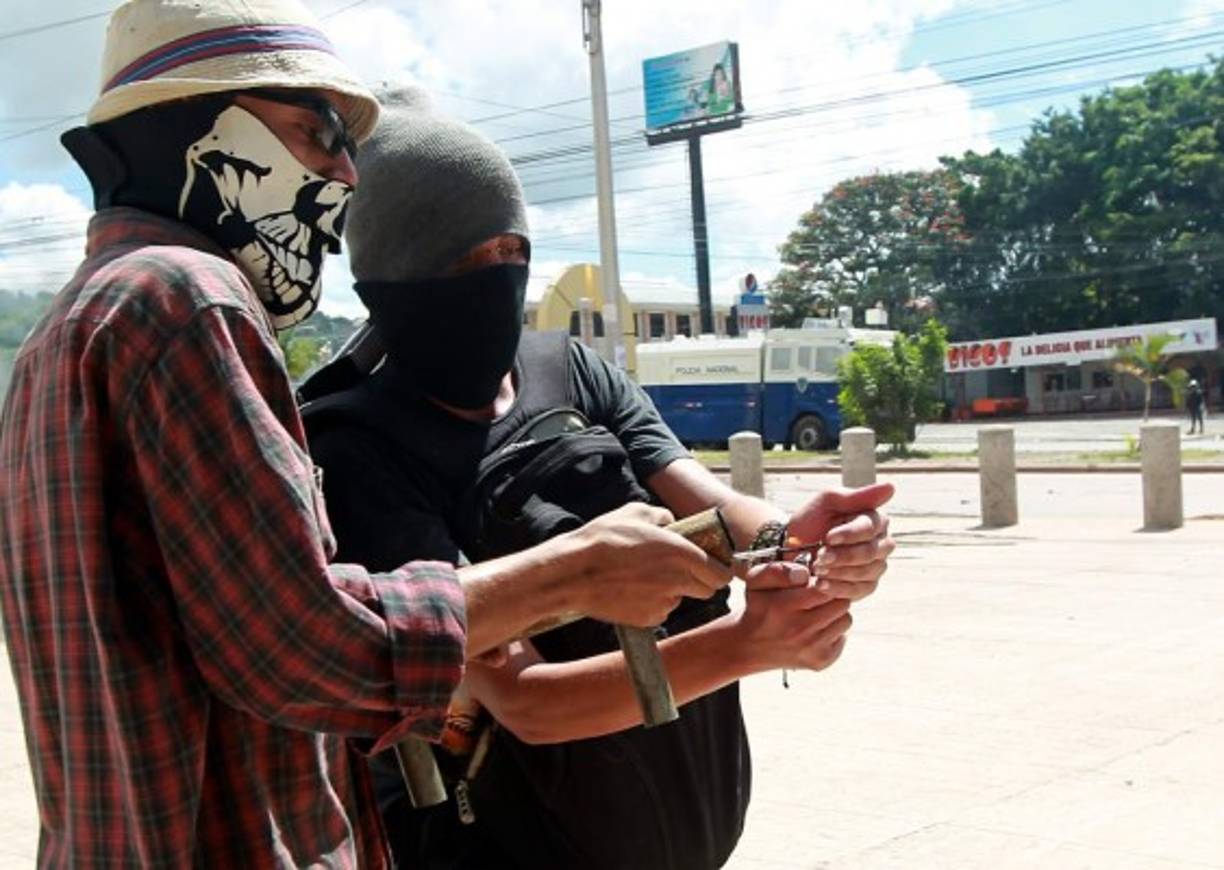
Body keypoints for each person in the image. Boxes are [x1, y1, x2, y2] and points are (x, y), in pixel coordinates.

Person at [0, 3, 730, 867]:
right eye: (317, 135)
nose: (346, 176)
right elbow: (303, 648)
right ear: (195, 134)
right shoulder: (189, 299)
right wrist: (580, 570)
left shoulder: (69, 328)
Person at [304, 88, 895, 870]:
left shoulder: (570, 367)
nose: (500, 274)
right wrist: (749, 644)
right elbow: (522, 701)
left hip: (678, 812)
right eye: (466, 259)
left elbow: (709, 500)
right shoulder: (355, 443)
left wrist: (803, 545)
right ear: (396, 279)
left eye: (512, 249)